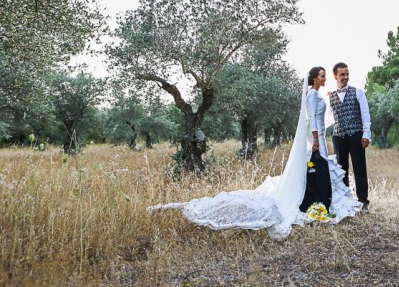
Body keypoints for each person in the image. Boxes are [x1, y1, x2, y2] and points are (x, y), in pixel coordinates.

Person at [147, 67, 364, 240]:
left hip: (317, 137)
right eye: (322, 76)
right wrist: (316, 140)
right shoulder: (311, 96)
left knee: (319, 169)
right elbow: (313, 120)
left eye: (326, 76)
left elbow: (319, 117)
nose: (325, 79)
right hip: (316, 138)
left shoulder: (316, 94)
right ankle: (318, 200)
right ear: (314, 79)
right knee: (319, 166)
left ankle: (322, 199)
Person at [328, 62, 371, 207]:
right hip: (338, 136)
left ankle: (363, 200)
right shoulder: (330, 96)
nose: (346, 77)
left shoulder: (358, 92)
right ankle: (344, 199)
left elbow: (365, 114)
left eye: (347, 74)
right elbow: (326, 118)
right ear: (335, 76)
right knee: (341, 169)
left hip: (356, 134)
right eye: (342, 75)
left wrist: (366, 134)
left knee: (359, 167)